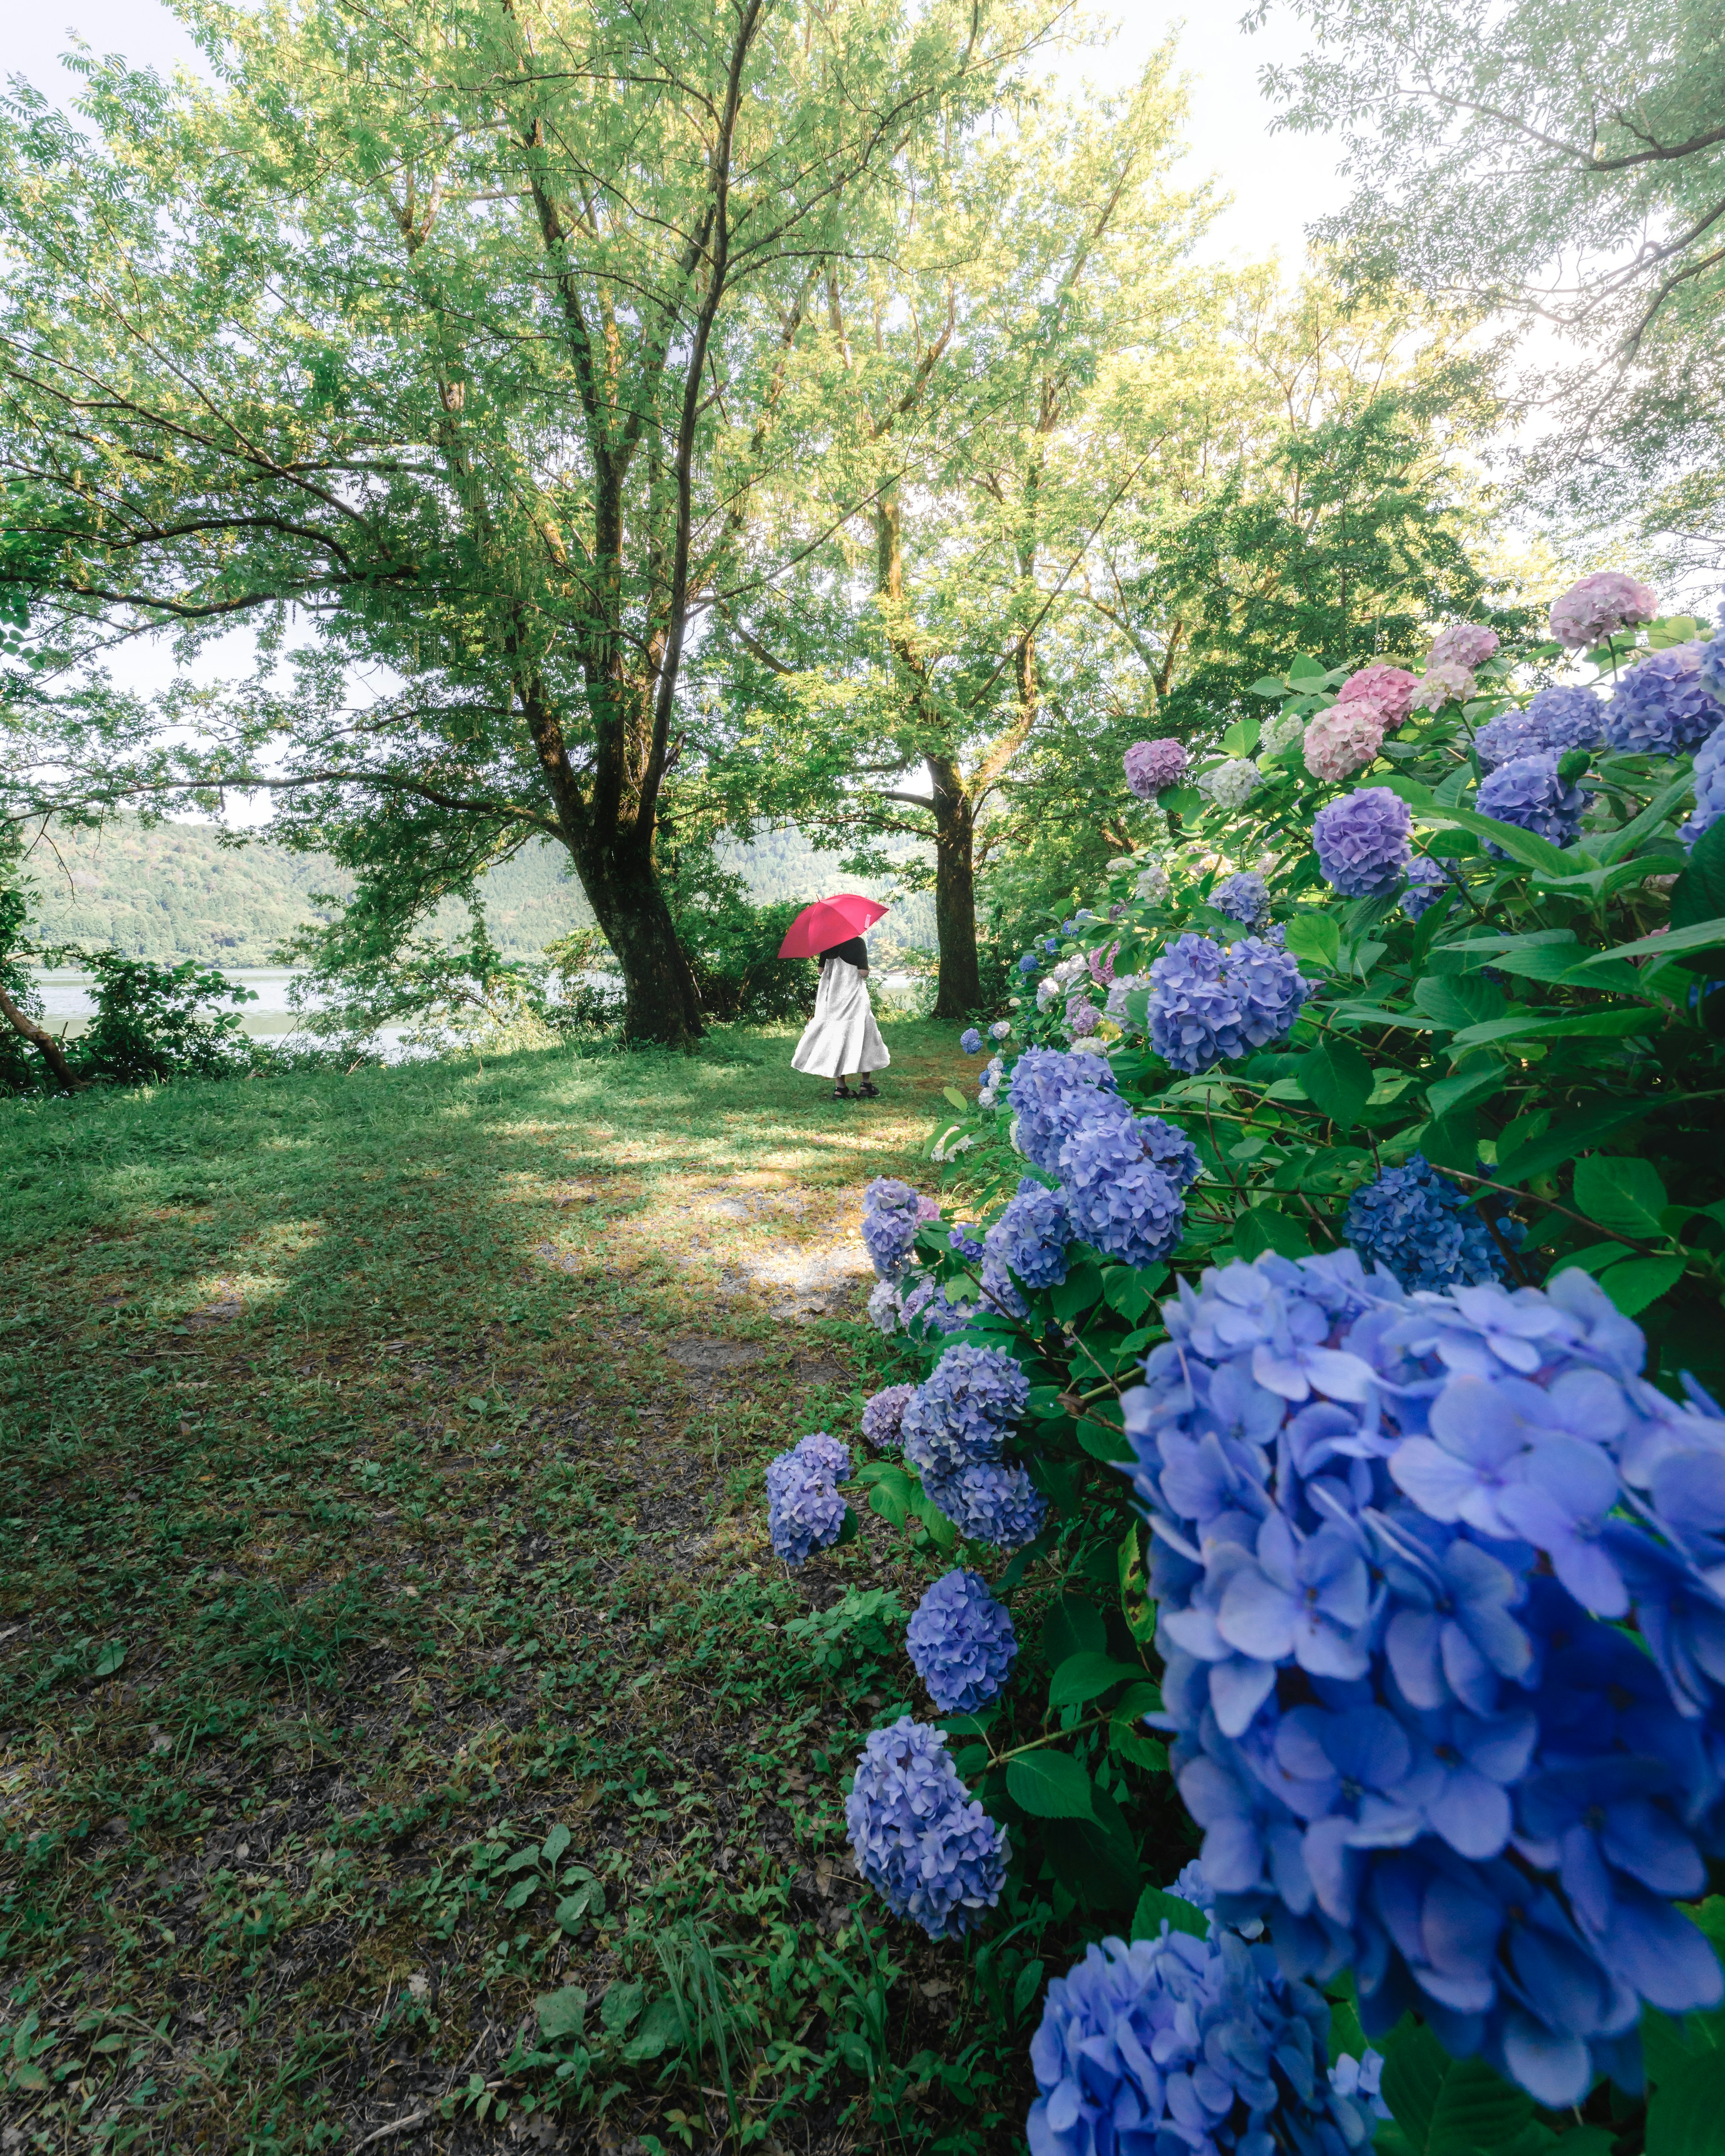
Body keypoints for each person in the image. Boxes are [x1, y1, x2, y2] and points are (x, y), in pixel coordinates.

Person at [791, 932, 889, 1100]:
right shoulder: (858, 943)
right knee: (864, 1036)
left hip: (832, 1001)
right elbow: (863, 973)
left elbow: (821, 971)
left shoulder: (828, 943)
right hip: (853, 999)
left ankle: (840, 1088)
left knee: (836, 1040)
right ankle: (866, 1084)